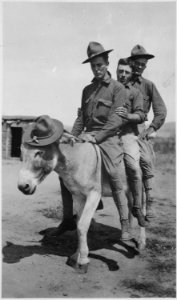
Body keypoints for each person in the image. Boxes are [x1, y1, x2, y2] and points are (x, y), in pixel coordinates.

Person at [52, 42, 146, 241]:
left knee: (113, 172)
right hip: (86, 137)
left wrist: (96, 137)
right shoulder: (87, 90)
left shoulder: (118, 89)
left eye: (100, 64)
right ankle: (68, 218)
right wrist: (75, 136)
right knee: (64, 170)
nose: (97, 69)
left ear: (107, 63)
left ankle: (125, 223)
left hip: (108, 139)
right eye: (93, 65)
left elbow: (116, 120)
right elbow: (81, 119)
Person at [125, 45, 167, 220]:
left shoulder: (149, 86)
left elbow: (161, 110)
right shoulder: (121, 83)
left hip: (139, 129)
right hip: (119, 128)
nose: (141, 67)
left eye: (144, 64)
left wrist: (151, 128)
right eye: (138, 63)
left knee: (146, 159)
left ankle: (148, 199)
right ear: (132, 63)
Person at [116, 58, 147, 226]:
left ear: (131, 74)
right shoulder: (108, 89)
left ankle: (136, 207)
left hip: (127, 135)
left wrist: (128, 116)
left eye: (126, 72)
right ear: (116, 71)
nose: (123, 75)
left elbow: (141, 115)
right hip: (108, 135)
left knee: (134, 169)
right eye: (120, 71)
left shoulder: (135, 92)